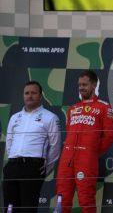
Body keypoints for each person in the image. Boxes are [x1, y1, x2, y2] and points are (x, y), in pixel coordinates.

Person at [56, 70, 113, 213]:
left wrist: (91, 151)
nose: (81, 87)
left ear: (94, 85)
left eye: (85, 84)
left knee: (86, 199)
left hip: (87, 159)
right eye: (79, 85)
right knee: (61, 199)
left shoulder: (104, 107)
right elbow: (69, 132)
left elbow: (108, 137)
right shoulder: (72, 109)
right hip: (67, 158)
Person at [2, 81, 61, 213]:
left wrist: (44, 168)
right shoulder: (14, 117)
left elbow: (55, 147)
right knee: (9, 208)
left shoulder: (50, 117)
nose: (30, 96)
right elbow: (9, 142)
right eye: (27, 93)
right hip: (12, 167)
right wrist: (13, 159)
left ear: (40, 96)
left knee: (28, 208)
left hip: (33, 168)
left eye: (33, 93)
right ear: (23, 95)